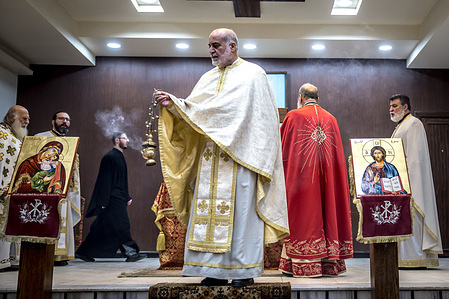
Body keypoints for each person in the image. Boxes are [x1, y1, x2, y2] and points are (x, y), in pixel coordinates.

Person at [153, 28, 289, 287]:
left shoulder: (254, 75)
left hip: (242, 159)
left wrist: (260, 158)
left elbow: (265, 121)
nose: (211, 51)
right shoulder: (206, 78)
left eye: (216, 45)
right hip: (211, 160)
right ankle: (211, 270)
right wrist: (175, 106)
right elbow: (196, 113)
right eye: (209, 46)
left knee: (241, 218)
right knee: (207, 216)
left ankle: (242, 272)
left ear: (233, 46)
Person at [278, 83, 353, 277]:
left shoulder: (292, 116)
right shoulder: (331, 120)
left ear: (300, 98)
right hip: (328, 181)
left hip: (300, 181)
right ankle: (328, 264)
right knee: (327, 211)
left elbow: (281, 150)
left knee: (302, 216)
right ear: (318, 98)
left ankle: (300, 263)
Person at [389, 94, 443, 268]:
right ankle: (405, 259)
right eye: (390, 106)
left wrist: (405, 185)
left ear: (405, 107)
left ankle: (416, 259)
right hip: (401, 182)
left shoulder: (413, 124)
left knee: (414, 220)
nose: (391, 109)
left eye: (395, 106)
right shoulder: (401, 126)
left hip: (411, 183)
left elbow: (413, 158)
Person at [75, 132, 146, 262]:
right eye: (125, 138)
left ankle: (82, 252)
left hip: (117, 197)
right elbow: (105, 180)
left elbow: (120, 181)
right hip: (112, 199)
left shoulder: (118, 156)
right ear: (117, 140)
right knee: (122, 224)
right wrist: (103, 201)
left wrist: (126, 196)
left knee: (100, 226)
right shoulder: (110, 157)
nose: (128, 141)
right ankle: (131, 253)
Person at [35, 111, 82, 266]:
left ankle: (59, 256)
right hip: (43, 191)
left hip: (62, 191)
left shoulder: (69, 143)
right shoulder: (40, 137)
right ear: (53, 121)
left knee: (62, 221)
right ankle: (43, 254)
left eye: (68, 119)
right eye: (61, 118)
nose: (65, 122)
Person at [0, 105, 30, 271]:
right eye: (23, 118)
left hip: (16, 191)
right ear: (11, 118)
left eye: (28, 118)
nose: (27, 122)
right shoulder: (2, 135)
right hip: (3, 191)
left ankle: (12, 260)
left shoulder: (16, 136)